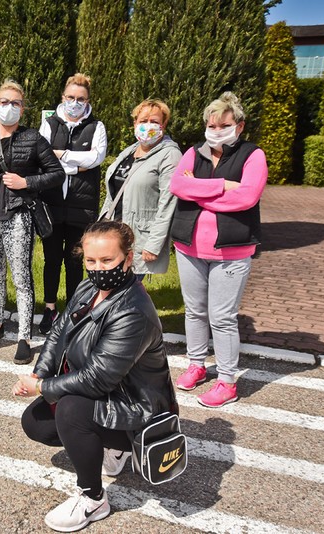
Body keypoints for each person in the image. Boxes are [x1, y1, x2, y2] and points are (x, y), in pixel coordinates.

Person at [14, 220, 176, 532]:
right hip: (111, 396)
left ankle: (93, 499)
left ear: (128, 259)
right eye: (91, 261)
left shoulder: (133, 311)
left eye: (107, 260)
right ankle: (113, 448)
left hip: (139, 408)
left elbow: (98, 378)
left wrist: (42, 386)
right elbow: (60, 331)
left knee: (72, 409)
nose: (98, 268)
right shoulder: (89, 287)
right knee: (35, 422)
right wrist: (40, 371)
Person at [169, 92, 268, 408]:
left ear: (239, 126)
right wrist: (222, 186)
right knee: (195, 310)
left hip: (231, 249)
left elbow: (247, 198)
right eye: (211, 125)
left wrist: (197, 191)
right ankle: (196, 364)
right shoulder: (193, 153)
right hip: (189, 245)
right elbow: (177, 186)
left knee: (222, 317)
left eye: (223, 125)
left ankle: (227, 381)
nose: (216, 130)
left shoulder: (253, 155)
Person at [0, 80, 64, 364]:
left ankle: (24, 336)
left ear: (22, 110)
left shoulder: (33, 138)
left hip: (17, 214)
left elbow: (57, 174)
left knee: (21, 277)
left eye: (15, 103)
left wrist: (27, 181)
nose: (9, 107)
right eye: (4, 102)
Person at [38, 73, 107, 335]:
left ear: (88, 100)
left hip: (81, 205)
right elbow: (44, 157)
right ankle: (50, 308)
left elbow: (97, 157)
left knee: (75, 261)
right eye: (70, 98)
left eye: (81, 99)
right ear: (63, 98)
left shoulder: (96, 126)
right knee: (52, 259)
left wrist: (63, 156)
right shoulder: (50, 123)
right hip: (52, 203)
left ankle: (74, 309)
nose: (75, 103)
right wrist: (77, 166)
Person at [100, 99, 181, 280]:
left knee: (126, 290)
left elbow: (168, 203)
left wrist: (154, 244)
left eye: (154, 121)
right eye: (143, 121)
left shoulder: (170, 155)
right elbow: (113, 193)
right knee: (109, 285)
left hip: (139, 235)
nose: (148, 126)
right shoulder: (130, 151)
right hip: (114, 232)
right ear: (135, 123)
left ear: (164, 124)